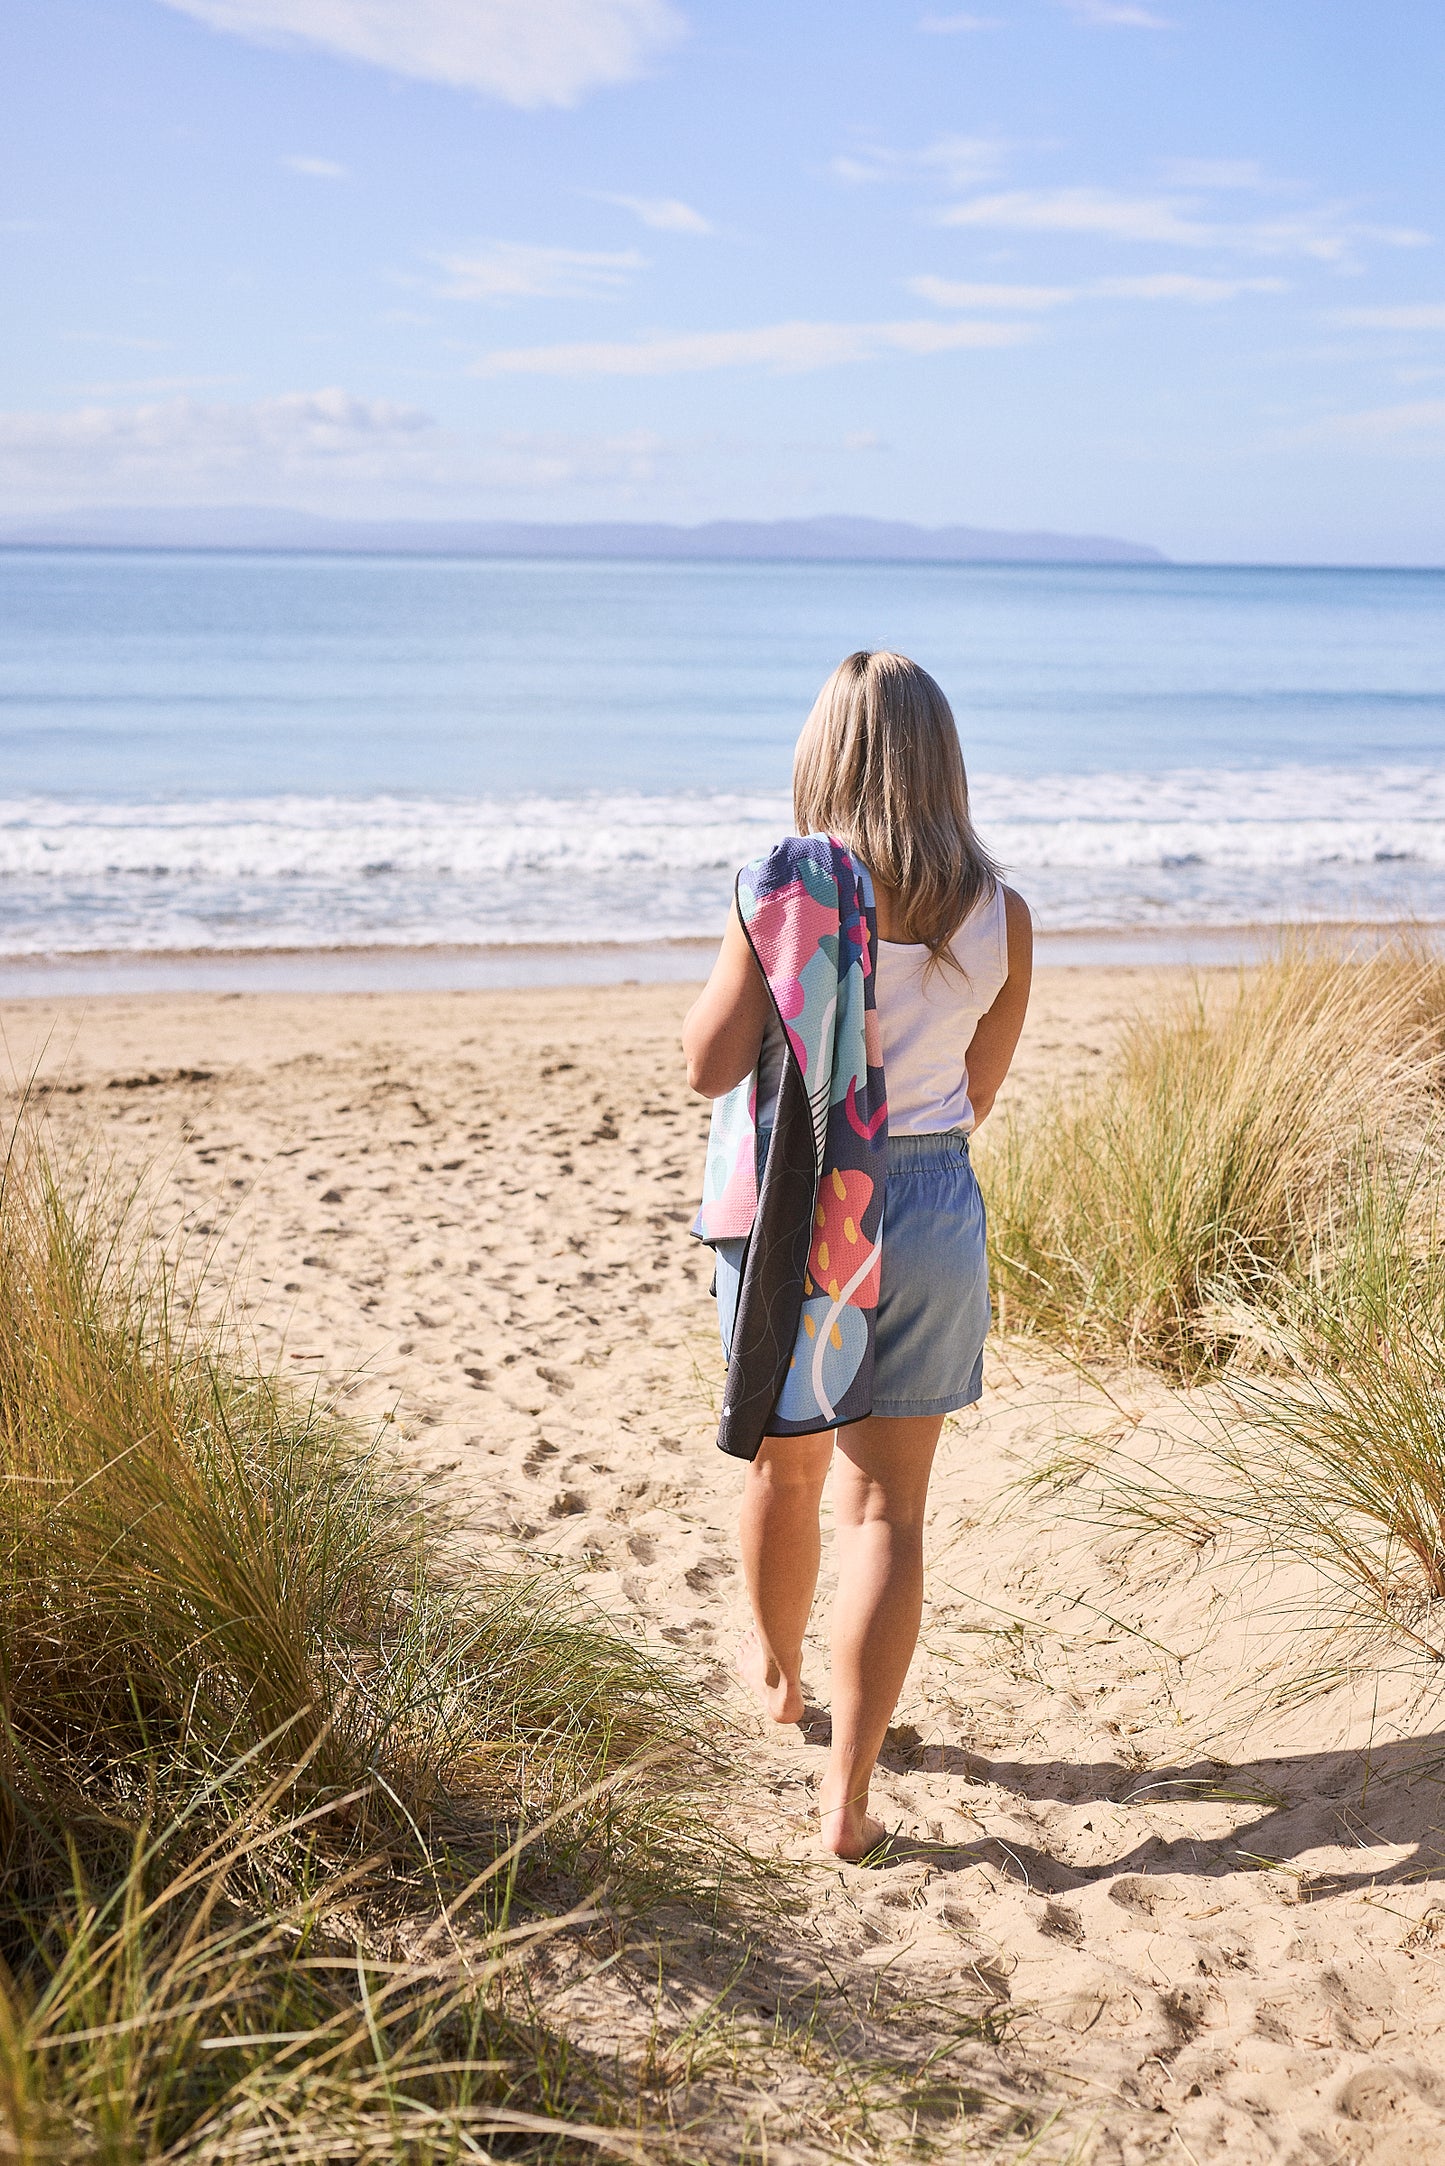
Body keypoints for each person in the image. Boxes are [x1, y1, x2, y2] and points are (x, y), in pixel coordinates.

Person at [681, 650, 1032, 1861]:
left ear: (820, 756)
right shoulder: (998, 913)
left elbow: (708, 1065)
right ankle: (847, 1800)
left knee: (784, 1478)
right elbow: (974, 1094)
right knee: (888, 1509)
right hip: (930, 1203)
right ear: (942, 761)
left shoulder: (779, 895)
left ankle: (779, 1683)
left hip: (801, 1210)